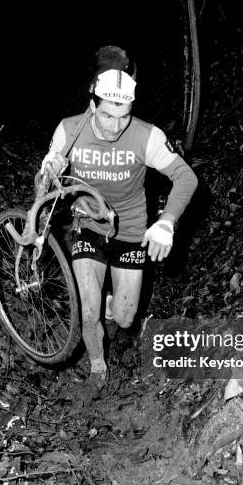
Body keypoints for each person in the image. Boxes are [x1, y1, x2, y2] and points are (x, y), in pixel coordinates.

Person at [41, 46, 198, 394]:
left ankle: (114, 306)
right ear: (93, 104)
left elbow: (186, 178)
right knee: (87, 310)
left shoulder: (146, 135)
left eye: (123, 116)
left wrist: (167, 221)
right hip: (89, 225)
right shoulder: (69, 131)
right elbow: (46, 178)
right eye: (108, 115)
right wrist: (49, 171)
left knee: (125, 319)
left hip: (130, 228)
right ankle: (98, 368)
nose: (115, 126)